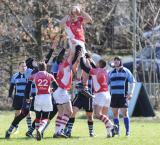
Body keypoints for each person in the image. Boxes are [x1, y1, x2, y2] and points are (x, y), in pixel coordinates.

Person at [80, 56, 118, 137]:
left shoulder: (94, 71)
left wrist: (81, 57)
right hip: (107, 94)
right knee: (104, 115)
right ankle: (109, 133)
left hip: (100, 94)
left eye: (97, 63)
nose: (96, 63)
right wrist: (89, 59)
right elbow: (94, 66)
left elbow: (83, 66)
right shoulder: (104, 71)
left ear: (99, 64)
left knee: (97, 114)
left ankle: (112, 126)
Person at [25, 62, 58, 141]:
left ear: (38, 68)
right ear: (46, 68)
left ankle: (37, 133)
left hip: (38, 97)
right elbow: (56, 86)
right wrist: (51, 90)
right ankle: (40, 130)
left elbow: (28, 87)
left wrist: (27, 97)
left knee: (38, 116)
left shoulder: (34, 76)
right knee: (45, 117)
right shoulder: (50, 76)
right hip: (47, 98)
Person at [53, 46, 80, 138]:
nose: (67, 57)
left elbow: (73, 58)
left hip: (57, 91)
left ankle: (56, 132)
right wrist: (74, 46)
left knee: (61, 112)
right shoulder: (65, 64)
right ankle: (60, 131)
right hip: (62, 91)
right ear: (63, 59)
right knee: (69, 111)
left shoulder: (60, 64)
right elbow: (72, 56)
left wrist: (74, 50)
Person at [108, 56, 135, 136]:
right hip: (113, 96)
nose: (116, 61)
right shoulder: (110, 72)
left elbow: (132, 82)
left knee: (125, 113)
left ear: (121, 61)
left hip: (123, 96)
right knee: (115, 114)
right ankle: (117, 132)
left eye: (118, 60)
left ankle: (127, 132)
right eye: (115, 60)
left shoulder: (126, 71)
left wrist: (131, 93)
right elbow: (106, 83)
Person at [5, 61, 32, 139]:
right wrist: (9, 96)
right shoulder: (15, 76)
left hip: (26, 97)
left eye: (25, 66)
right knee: (17, 113)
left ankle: (29, 130)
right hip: (18, 97)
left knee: (28, 113)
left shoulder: (29, 75)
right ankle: (16, 128)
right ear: (19, 67)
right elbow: (11, 87)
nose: (23, 68)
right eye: (22, 66)